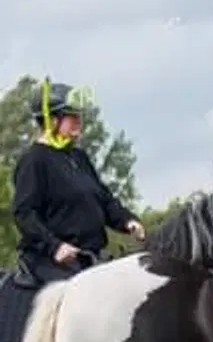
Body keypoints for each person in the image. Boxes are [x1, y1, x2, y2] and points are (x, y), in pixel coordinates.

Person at [12, 80, 146, 285]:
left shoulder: (79, 157)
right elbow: (25, 214)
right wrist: (55, 246)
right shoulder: (34, 161)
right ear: (52, 120)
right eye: (71, 116)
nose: (78, 121)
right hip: (50, 262)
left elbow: (104, 200)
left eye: (79, 116)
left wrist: (128, 221)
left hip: (88, 258)